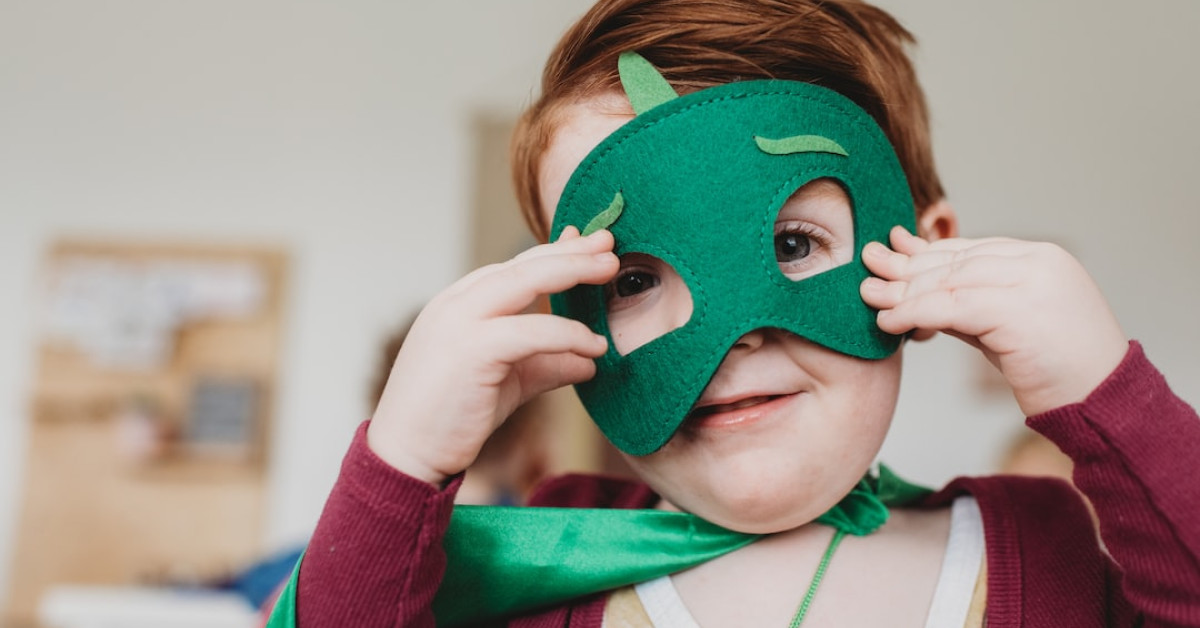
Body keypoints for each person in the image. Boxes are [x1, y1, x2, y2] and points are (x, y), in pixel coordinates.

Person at [268, 1, 1200, 626]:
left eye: (793, 246)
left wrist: (1108, 395)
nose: (734, 334)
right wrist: (401, 461)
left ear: (932, 255)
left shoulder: (1059, 549)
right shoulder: (545, 562)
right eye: (632, 280)